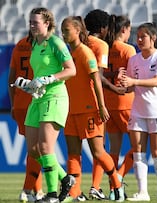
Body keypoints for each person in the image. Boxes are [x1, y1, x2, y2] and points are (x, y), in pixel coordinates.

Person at [60, 15, 125, 202]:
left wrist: (102, 106)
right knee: (73, 155)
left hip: (89, 109)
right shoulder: (67, 54)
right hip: (71, 111)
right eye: (62, 30)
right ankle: (74, 193)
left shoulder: (85, 53)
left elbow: (97, 79)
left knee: (98, 152)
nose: (63, 34)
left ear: (77, 31)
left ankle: (116, 185)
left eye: (67, 30)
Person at [25, 7, 77, 203]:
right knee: (33, 149)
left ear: (47, 23)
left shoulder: (55, 42)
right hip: (37, 98)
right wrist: (30, 85)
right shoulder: (35, 44)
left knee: (46, 147)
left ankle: (52, 195)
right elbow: (40, 72)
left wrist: (47, 79)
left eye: (35, 22)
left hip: (54, 97)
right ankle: (66, 179)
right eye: (30, 22)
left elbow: (71, 70)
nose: (31, 25)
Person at [120, 22, 157, 201]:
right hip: (138, 110)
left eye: (143, 36)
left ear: (153, 38)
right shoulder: (133, 59)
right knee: (138, 153)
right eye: (138, 36)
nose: (139, 40)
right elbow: (129, 87)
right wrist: (123, 84)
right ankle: (143, 192)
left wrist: (133, 82)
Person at [8, 33, 45, 202]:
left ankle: (37, 191)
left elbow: (11, 78)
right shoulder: (43, 46)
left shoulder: (19, 45)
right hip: (36, 101)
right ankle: (28, 190)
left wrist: (13, 103)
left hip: (20, 103)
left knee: (33, 148)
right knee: (36, 149)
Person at [105, 14, 136, 200]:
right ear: (124, 29)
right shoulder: (128, 49)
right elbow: (132, 76)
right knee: (139, 146)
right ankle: (119, 176)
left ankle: (114, 189)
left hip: (108, 103)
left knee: (113, 149)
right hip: (125, 101)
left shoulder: (104, 47)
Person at [83, 9, 112, 200]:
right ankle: (103, 184)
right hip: (94, 101)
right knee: (99, 148)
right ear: (103, 28)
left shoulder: (78, 43)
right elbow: (98, 76)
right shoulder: (101, 45)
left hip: (75, 99)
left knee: (74, 149)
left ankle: (75, 190)